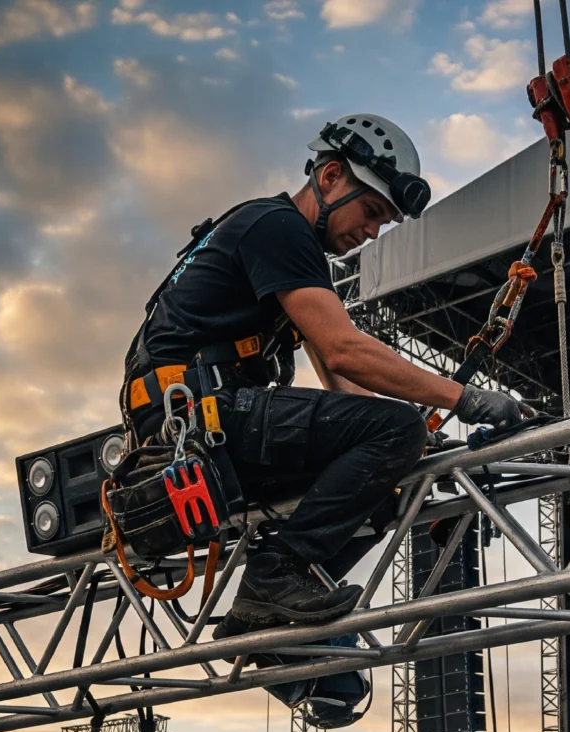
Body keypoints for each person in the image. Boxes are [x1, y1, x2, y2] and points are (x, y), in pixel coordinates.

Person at [118, 113, 523, 637]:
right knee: (394, 429)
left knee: (386, 485)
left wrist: (412, 445)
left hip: (198, 423)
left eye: (384, 221)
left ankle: (273, 613)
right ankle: (276, 574)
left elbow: (340, 380)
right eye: (372, 211)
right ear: (330, 176)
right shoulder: (278, 227)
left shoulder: (286, 247)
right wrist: (464, 399)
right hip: (197, 418)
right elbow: (345, 350)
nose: (372, 231)